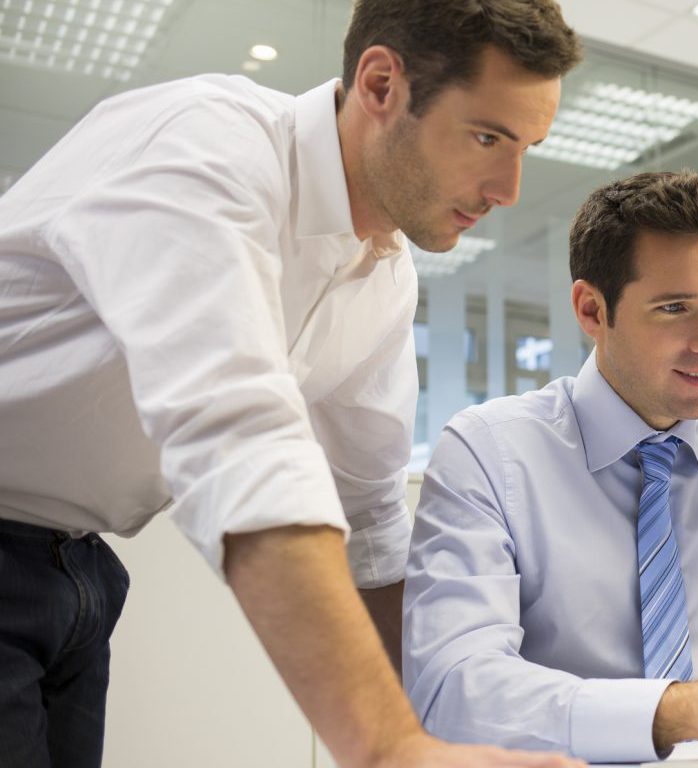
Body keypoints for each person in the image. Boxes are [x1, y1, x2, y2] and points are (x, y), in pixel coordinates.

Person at [0, 1, 589, 766]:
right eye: (487, 137)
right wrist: (387, 748)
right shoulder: (206, 146)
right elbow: (239, 440)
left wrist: (442, 734)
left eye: (527, 149)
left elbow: (370, 521)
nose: (508, 188)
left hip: (76, 567)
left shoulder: (382, 273)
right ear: (381, 84)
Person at [403, 171, 698, 763]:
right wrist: (687, 710)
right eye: (674, 309)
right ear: (592, 310)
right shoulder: (488, 454)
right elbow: (454, 689)